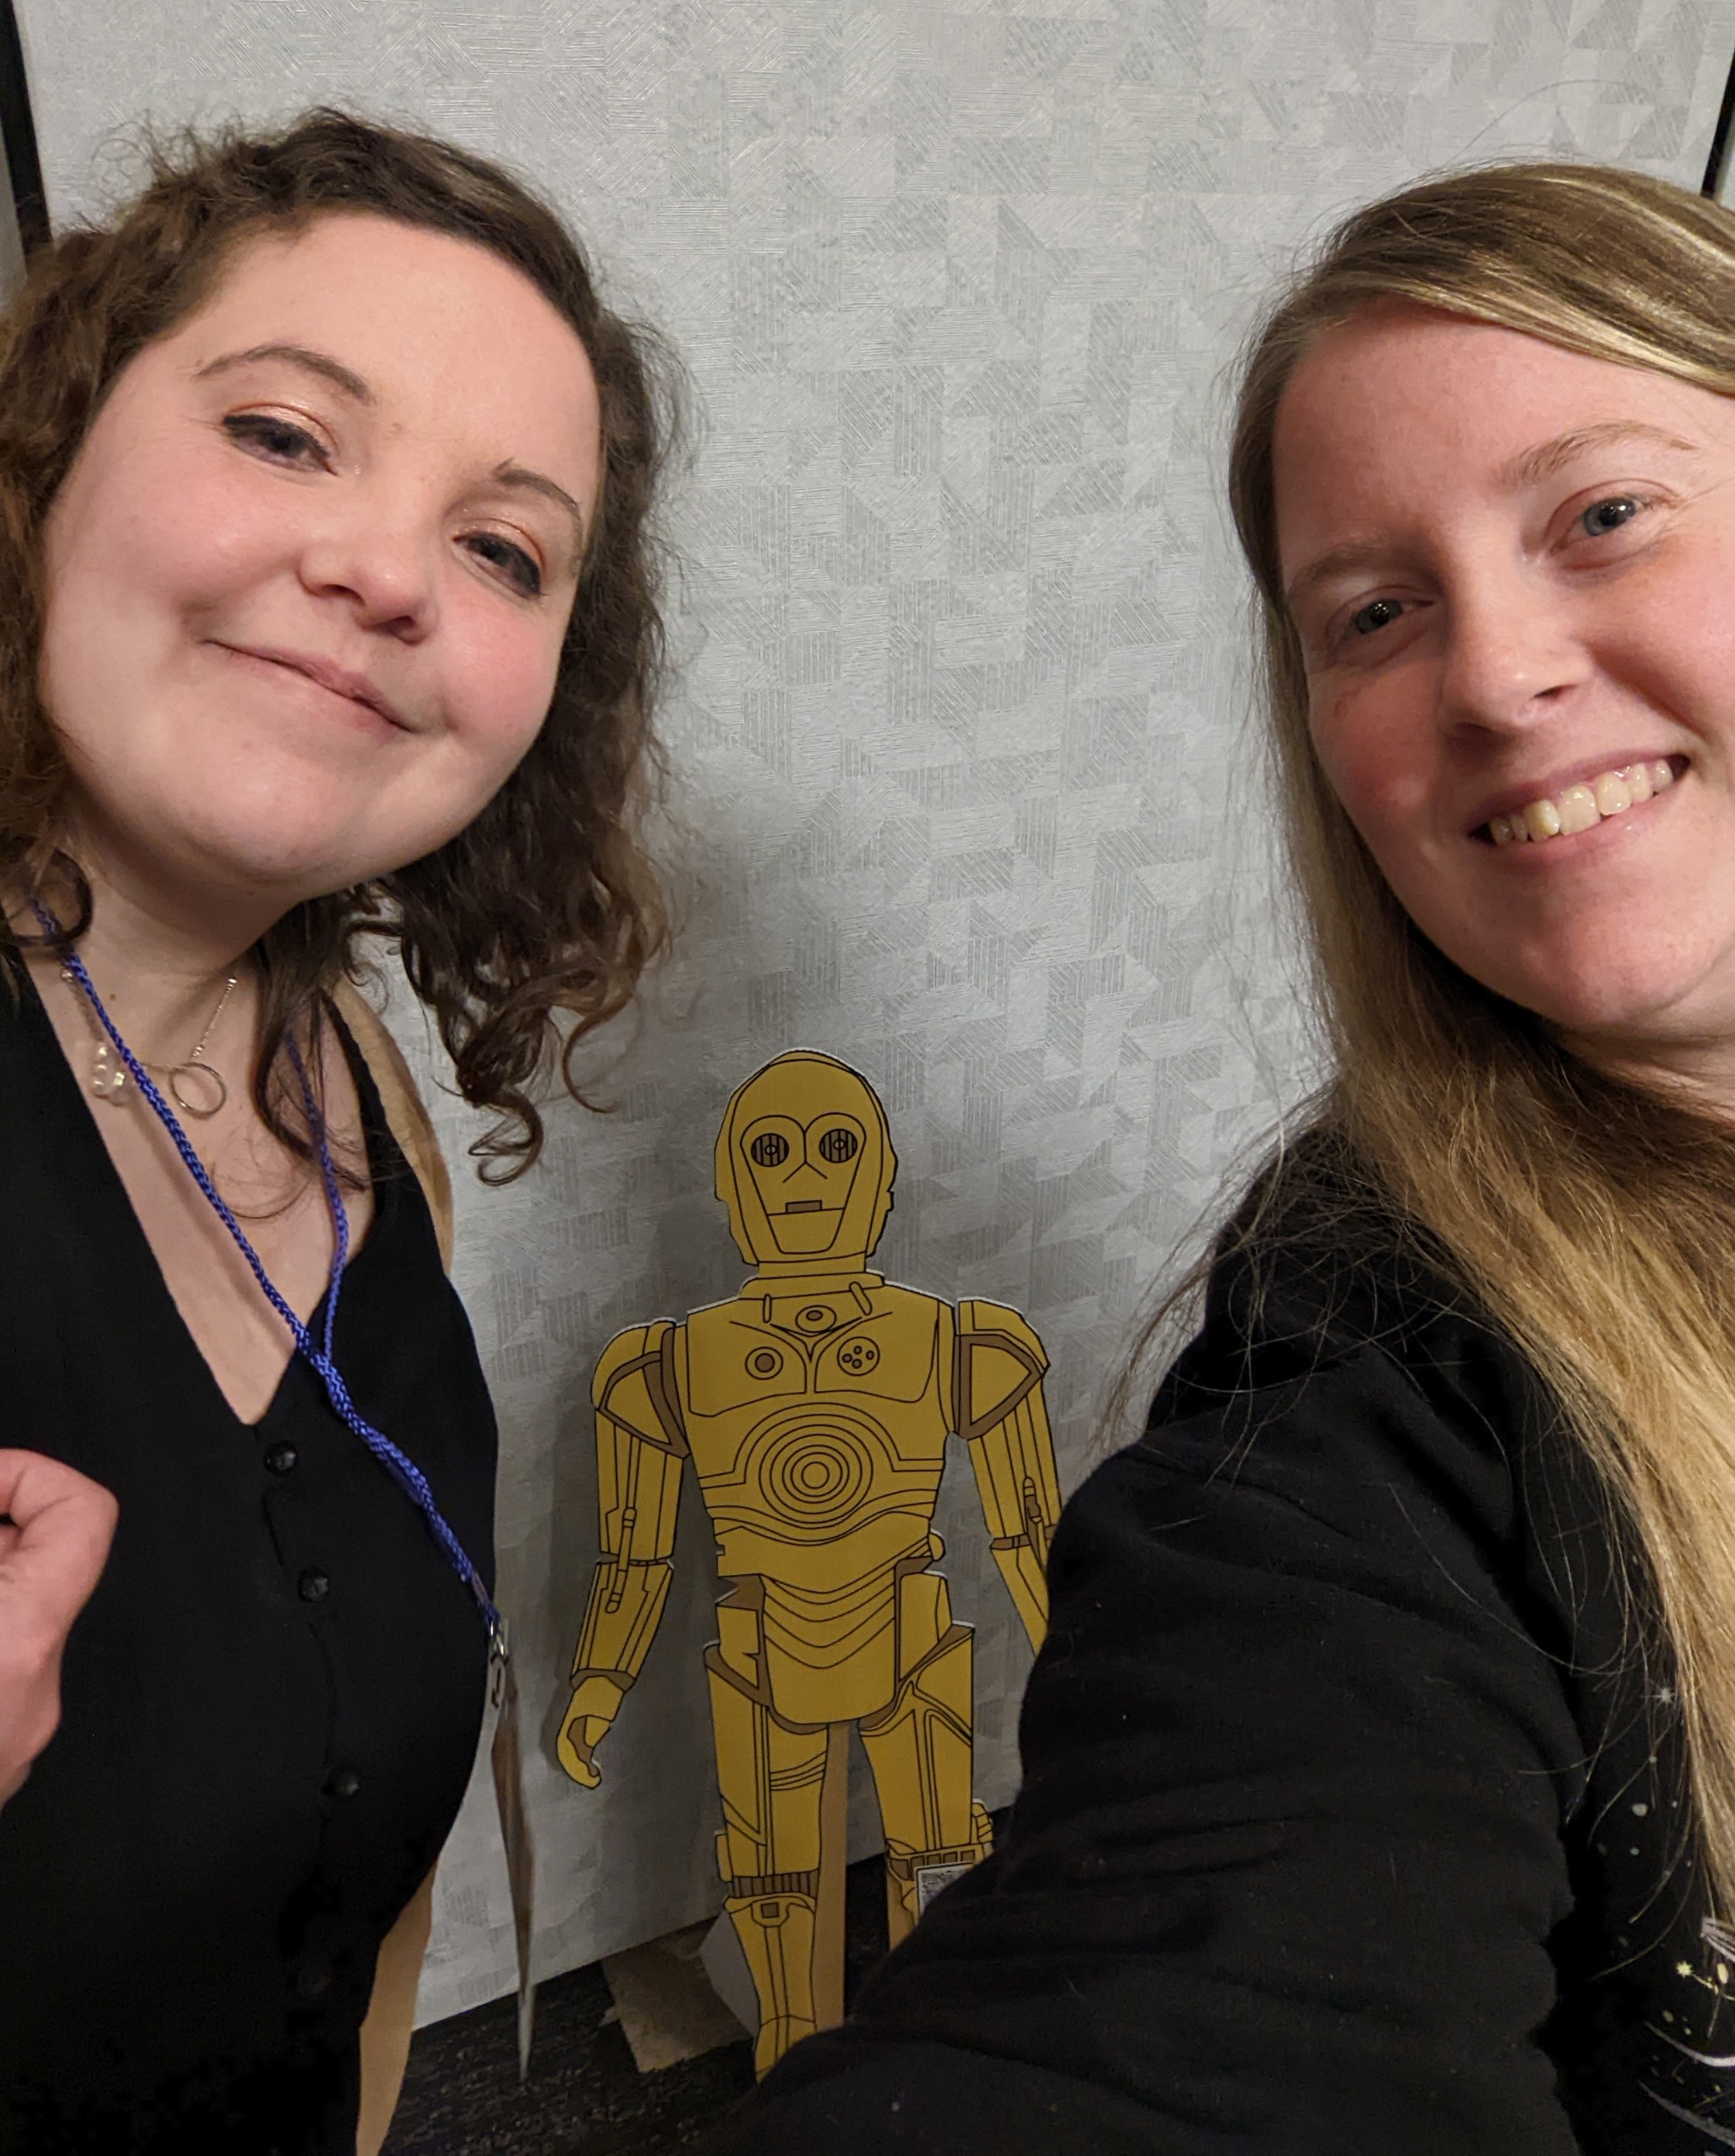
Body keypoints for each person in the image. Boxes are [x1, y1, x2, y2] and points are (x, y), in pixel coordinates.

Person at [708, 161, 1735, 2155]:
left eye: (1604, 516)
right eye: (1374, 613)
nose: (1494, 675)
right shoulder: (1377, 1374)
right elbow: (1175, 1976)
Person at [0, 110, 672, 2153]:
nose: (385, 573)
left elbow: (361, 1908)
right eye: (285, 434)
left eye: (502, 549)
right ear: (48, 454)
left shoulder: (357, 1099)